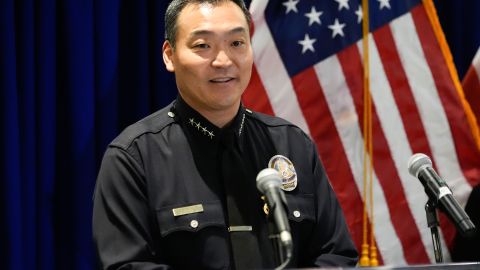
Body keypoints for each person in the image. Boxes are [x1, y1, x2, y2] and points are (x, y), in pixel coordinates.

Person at [92, 0, 359, 269]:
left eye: (236, 43)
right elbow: (126, 265)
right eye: (203, 46)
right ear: (169, 55)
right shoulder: (133, 158)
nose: (224, 61)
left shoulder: (292, 145)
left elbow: (336, 256)